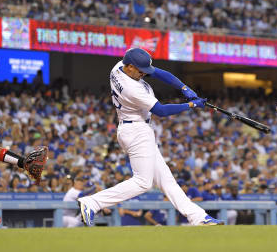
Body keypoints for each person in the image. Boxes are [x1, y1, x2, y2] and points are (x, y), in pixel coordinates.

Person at [78, 48, 223, 226]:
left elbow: (158, 73)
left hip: (133, 128)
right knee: (143, 183)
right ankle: (92, 202)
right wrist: (190, 104)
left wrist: (183, 87)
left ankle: (198, 217)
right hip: (136, 130)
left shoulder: (119, 66)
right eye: (141, 71)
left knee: (166, 180)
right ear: (130, 67)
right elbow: (161, 111)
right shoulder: (131, 89)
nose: (144, 74)